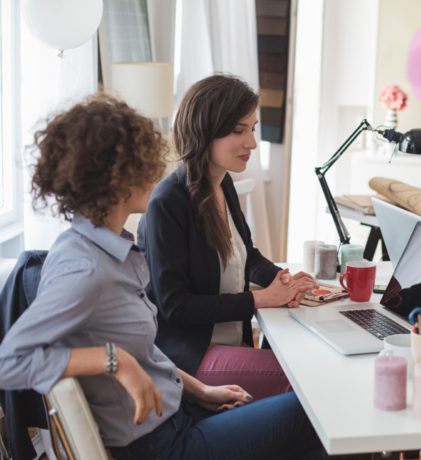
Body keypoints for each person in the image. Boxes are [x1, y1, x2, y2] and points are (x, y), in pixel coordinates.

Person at [0, 95, 325, 459]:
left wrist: (200, 390)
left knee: (309, 412)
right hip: (162, 445)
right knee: (319, 414)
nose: (155, 171)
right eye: (143, 163)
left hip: (176, 417)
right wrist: (116, 361)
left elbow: (142, 349)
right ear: (116, 178)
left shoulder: (105, 250)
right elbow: (9, 362)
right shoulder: (86, 268)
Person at [137, 75, 317, 399]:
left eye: (253, 128)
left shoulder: (222, 183)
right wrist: (263, 298)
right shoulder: (168, 202)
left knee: (308, 360)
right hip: (190, 357)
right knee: (306, 380)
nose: (252, 143)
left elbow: (247, 256)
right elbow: (175, 306)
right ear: (204, 132)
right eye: (239, 130)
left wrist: (283, 280)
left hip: (227, 344)